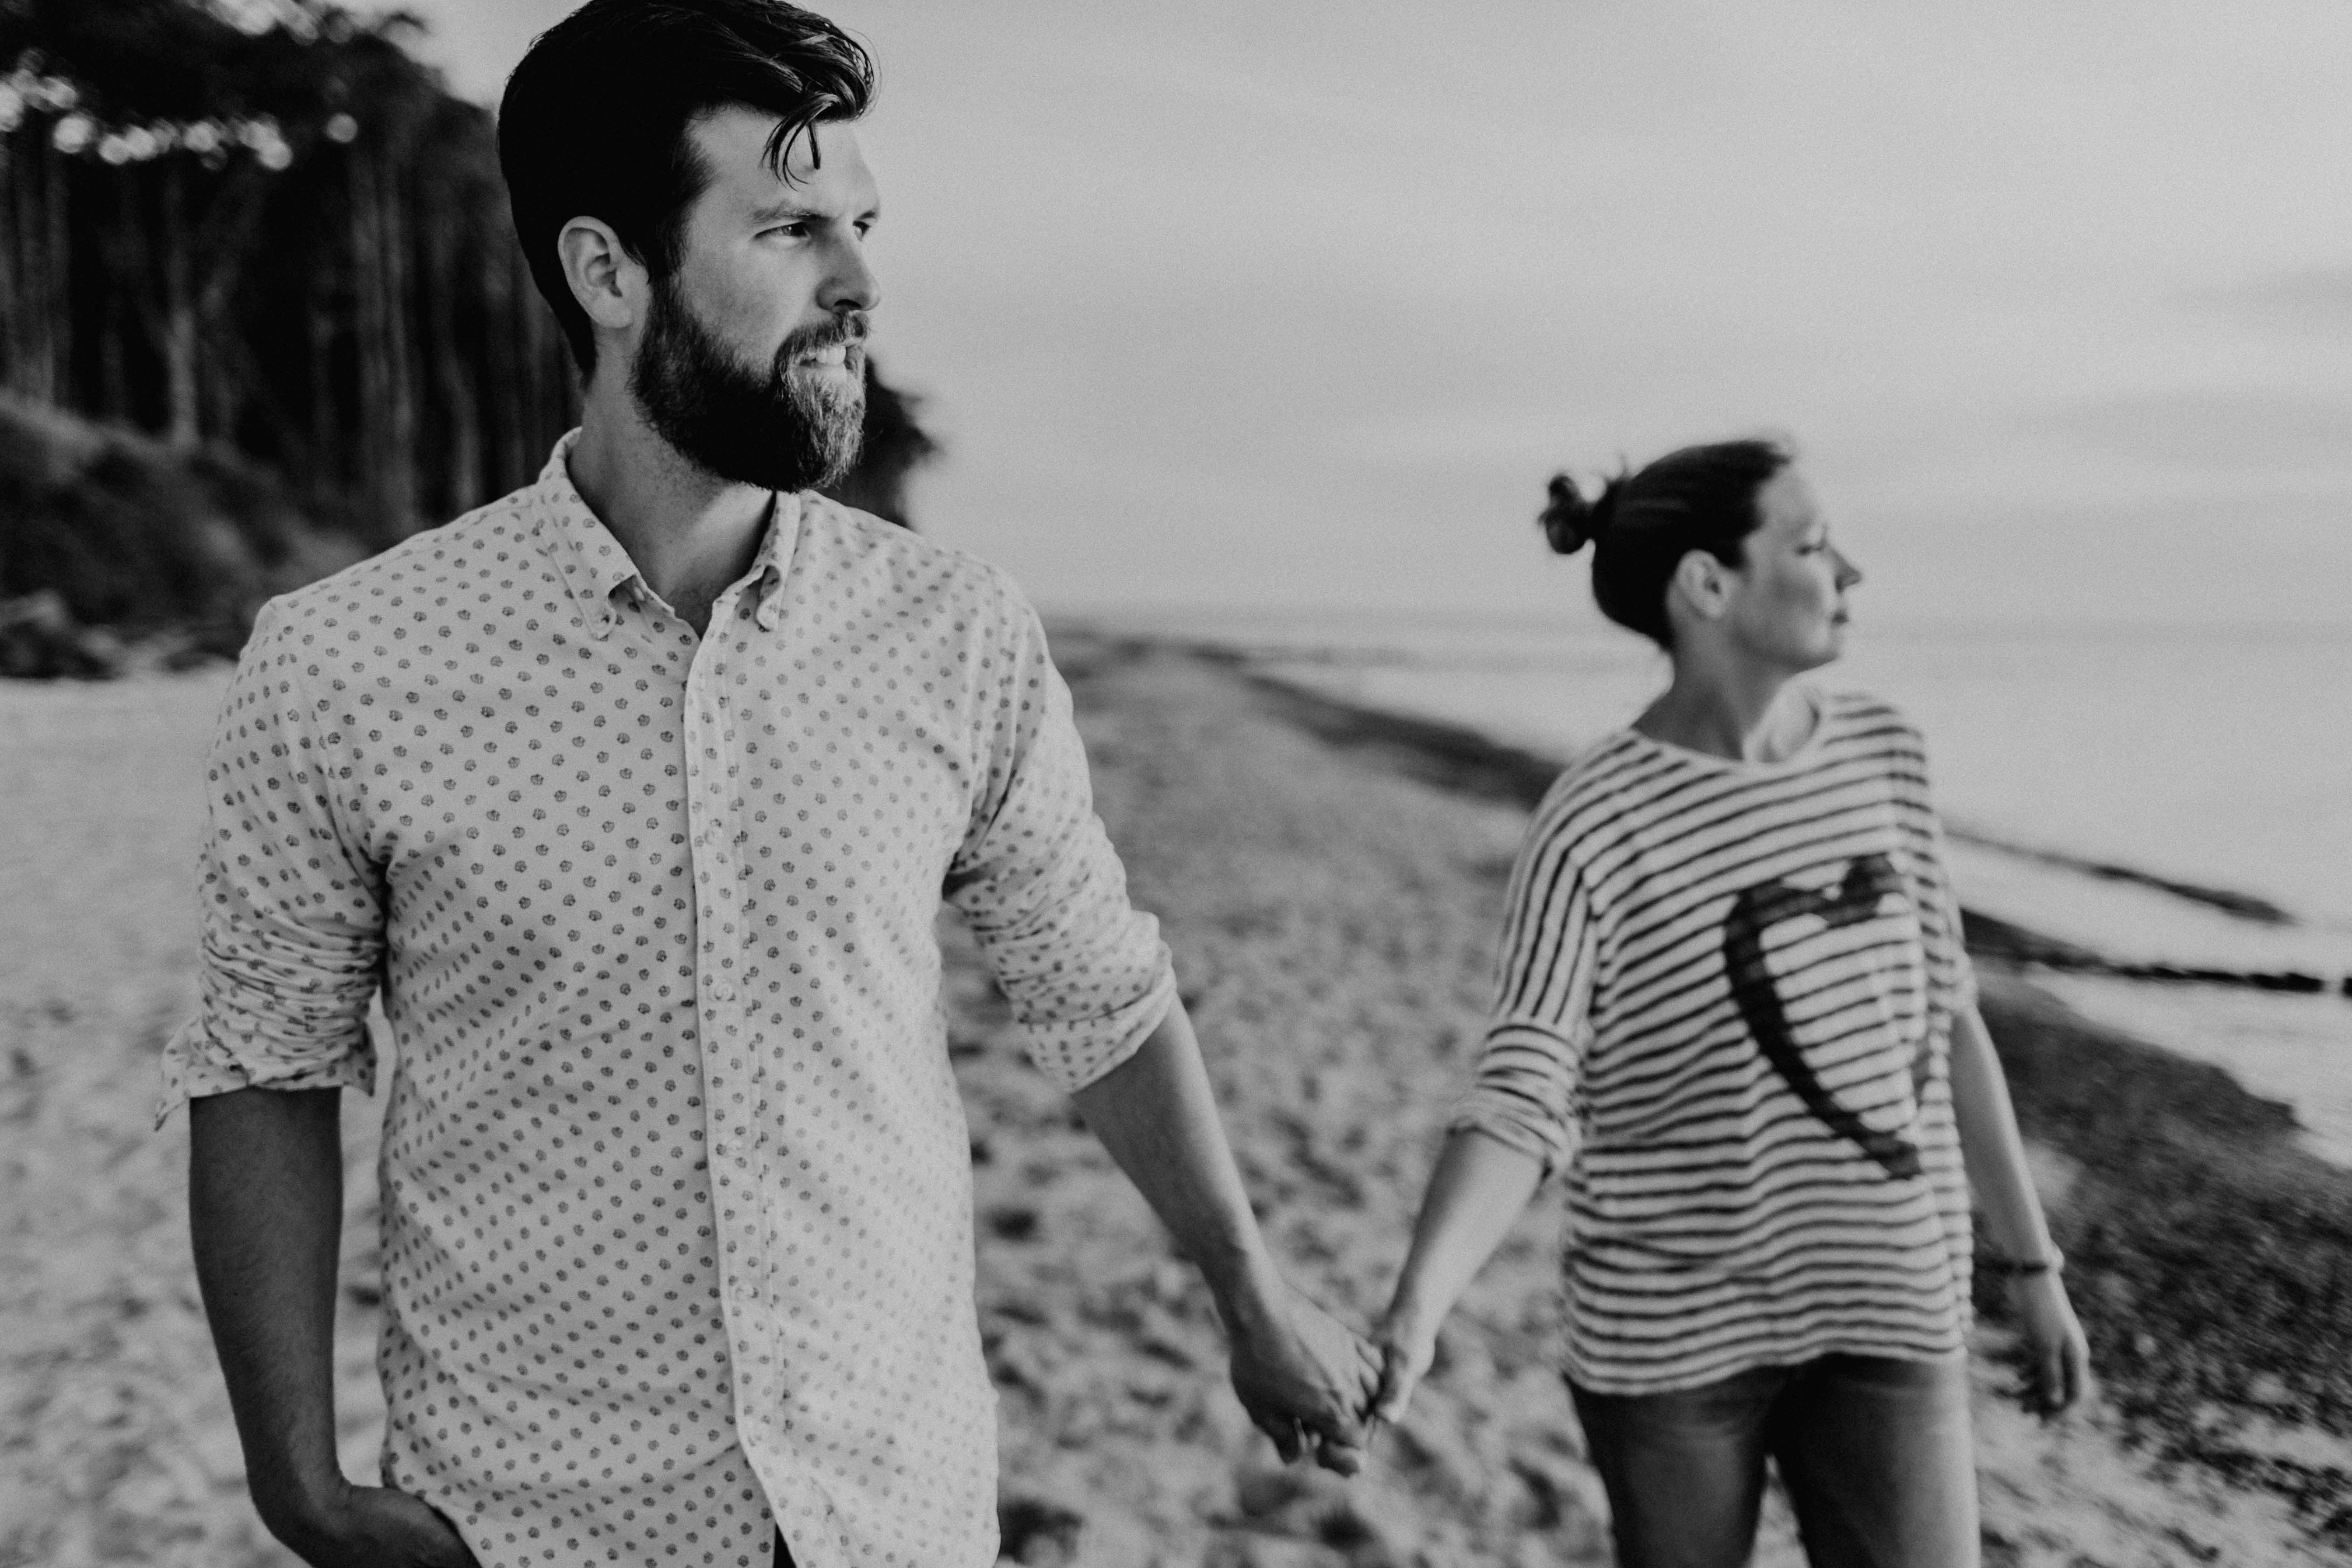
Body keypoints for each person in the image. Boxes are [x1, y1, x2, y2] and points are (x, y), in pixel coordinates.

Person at [167, 5, 1375, 1566]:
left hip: (896, 1501)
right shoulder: (343, 665)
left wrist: (1251, 1289)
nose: (862, 282)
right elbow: (265, 1063)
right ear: (610, 271)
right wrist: (301, 1486)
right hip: (540, 1520)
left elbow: (1100, 990)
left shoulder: (957, 636)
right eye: (793, 229)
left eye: (863, 227)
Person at [1368, 439, 2091, 1568]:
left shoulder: (1888, 754)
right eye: (1810, 547)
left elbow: (1948, 1022)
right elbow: (1524, 1092)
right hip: (1670, 1345)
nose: (1850, 572)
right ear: (1710, 586)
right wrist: (1419, 1306)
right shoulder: (1593, 820)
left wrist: (2034, 1268)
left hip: (1890, 1300)